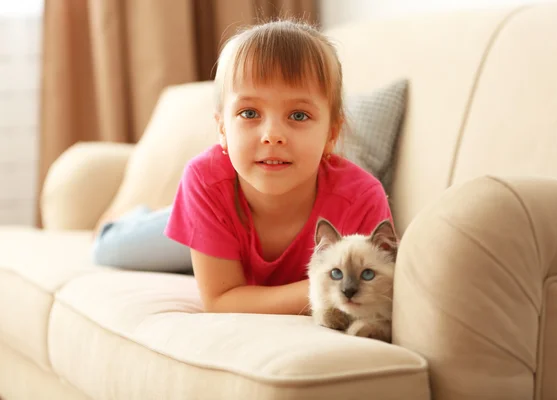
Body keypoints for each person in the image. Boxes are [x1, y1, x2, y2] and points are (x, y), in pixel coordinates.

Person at [93, 19, 394, 315]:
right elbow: (220, 300)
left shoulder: (362, 198)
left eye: (298, 116)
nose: (272, 135)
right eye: (250, 112)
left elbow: (380, 292)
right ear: (222, 129)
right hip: (214, 217)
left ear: (332, 134)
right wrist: (324, 289)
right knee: (107, 249)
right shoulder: (205, 181)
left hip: (226, 240)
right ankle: (145, 217)